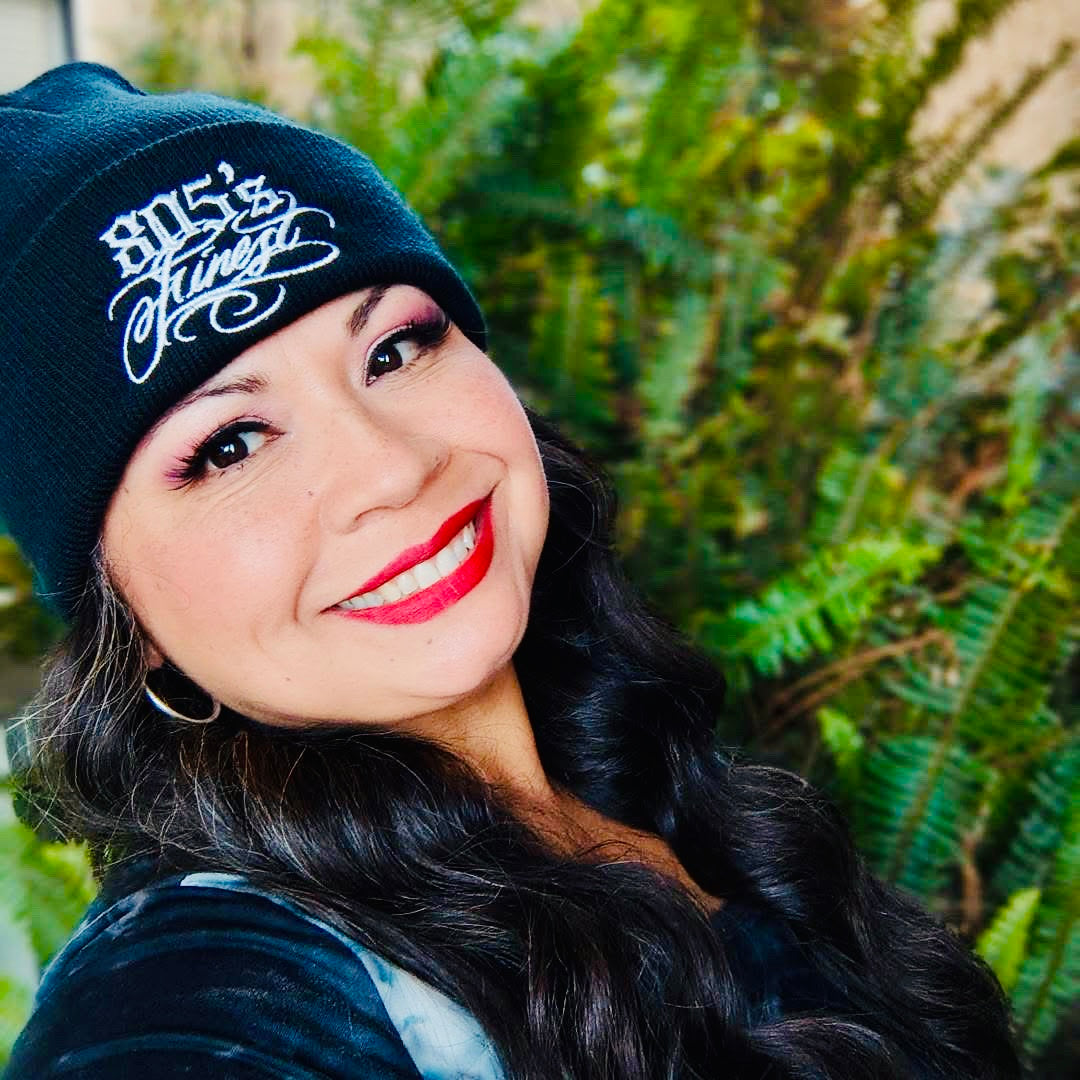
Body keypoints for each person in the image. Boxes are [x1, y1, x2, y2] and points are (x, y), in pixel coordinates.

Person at [0, 63, 1018, 1080]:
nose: (392, 469)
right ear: (124, 615)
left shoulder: (650, 785)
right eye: (231, 445)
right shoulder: (204, 984)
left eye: (394, 350)